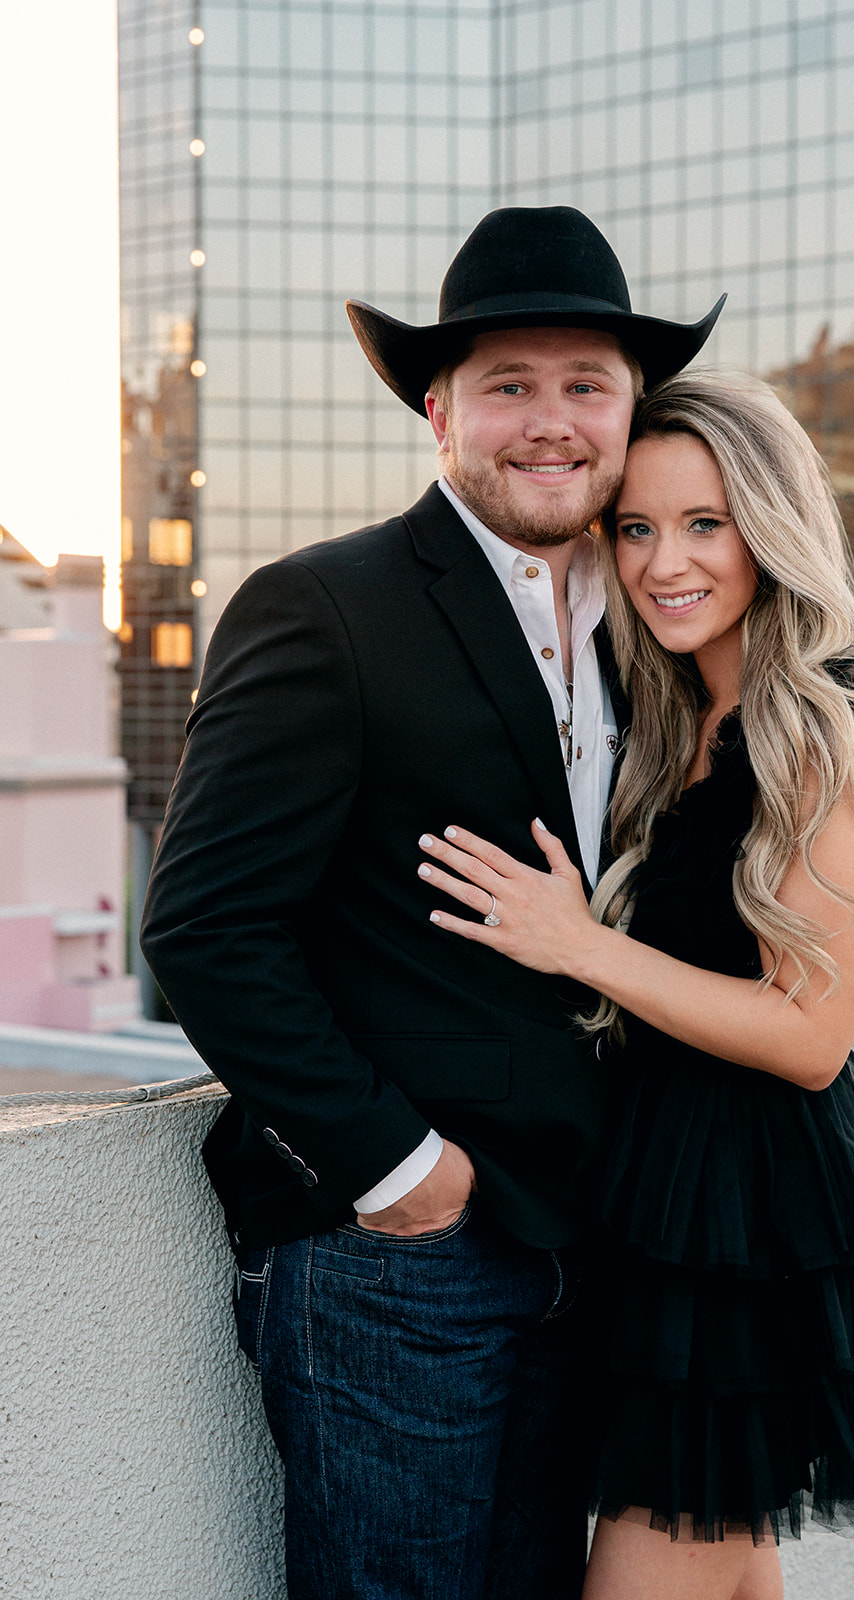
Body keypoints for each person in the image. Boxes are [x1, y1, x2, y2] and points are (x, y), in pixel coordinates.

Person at [139, 206, 724, 1600]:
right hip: (402, 1266)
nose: (551, 421)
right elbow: (205, 929)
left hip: (595, 1249)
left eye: (585, 383)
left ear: (632, 410)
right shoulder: (321, 607)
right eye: (508, 385)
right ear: (437, 410)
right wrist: (407, 1182)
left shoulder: (662, 622)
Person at [415, 371, 854, 1600]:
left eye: (705, 523)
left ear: (769, 526)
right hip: (671, 1212)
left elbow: (813, 1032)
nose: (666, 561)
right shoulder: (680, 715)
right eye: (638, 526)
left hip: (741, 1231)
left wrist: (583, 943)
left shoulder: (818, 725)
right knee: (731, 1571)